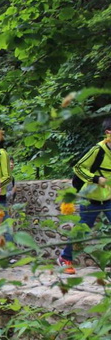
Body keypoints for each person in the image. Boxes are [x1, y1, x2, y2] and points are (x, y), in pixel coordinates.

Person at [58, 118, 111, 275]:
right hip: (90, 199)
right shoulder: (98, 150)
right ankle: (65, 258)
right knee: (82, 232)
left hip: (109, 198)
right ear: (108, 133)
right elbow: (78, 167)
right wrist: (96, 179)